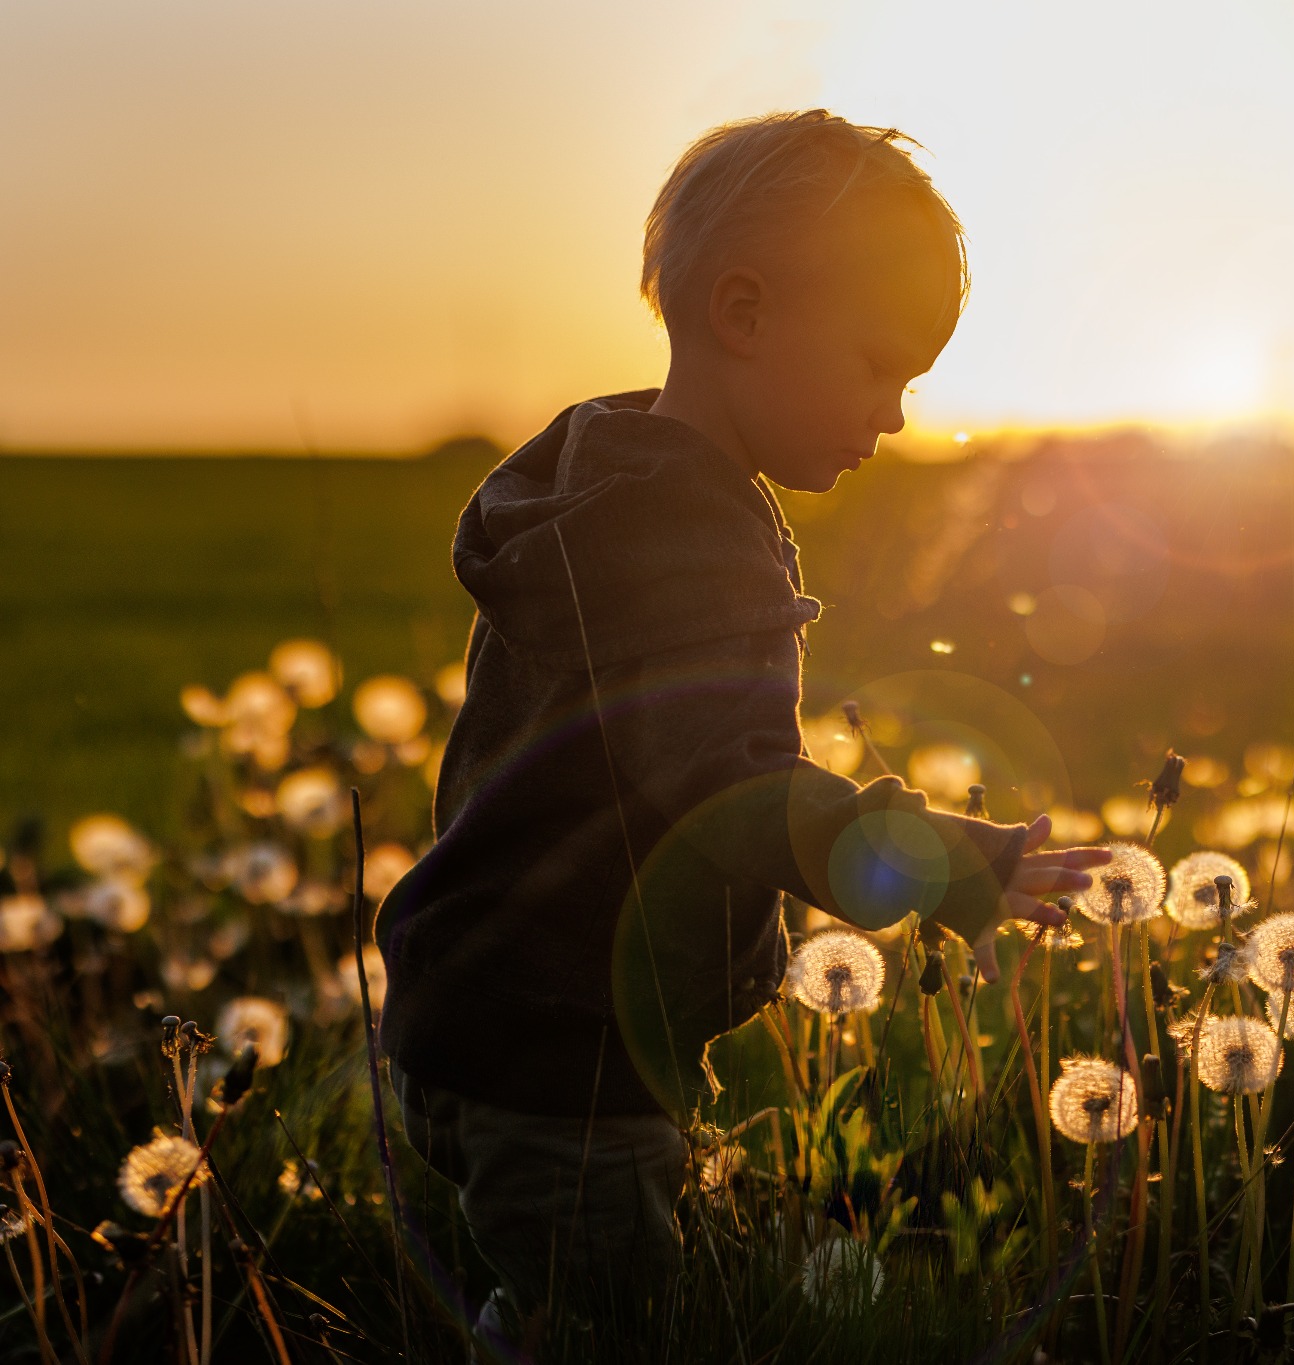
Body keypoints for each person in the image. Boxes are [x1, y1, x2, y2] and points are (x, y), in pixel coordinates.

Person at [374, 109, 1107, 1356]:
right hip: (563, 1053)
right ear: (744, 313)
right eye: (878, 364)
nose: (892, 415)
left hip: (490, 1015)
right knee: (609, 1326)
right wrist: (948, 861)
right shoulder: (682, 540)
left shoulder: (596, 488)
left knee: (578, 1300)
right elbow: (733, 791)